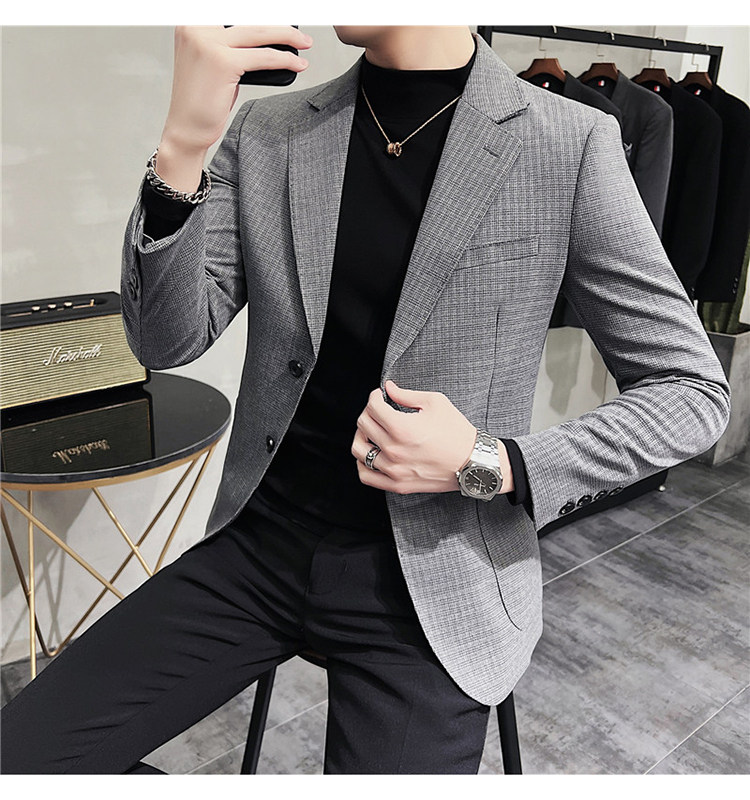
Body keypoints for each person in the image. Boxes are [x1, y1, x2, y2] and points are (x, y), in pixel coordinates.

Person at [0, 25, 731, 775]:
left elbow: (692, 392)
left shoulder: (567, 140)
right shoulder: (271, 129)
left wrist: (489, 461)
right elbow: (166, 341)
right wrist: (182, 148)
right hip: (258, 547)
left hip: (435, 582)